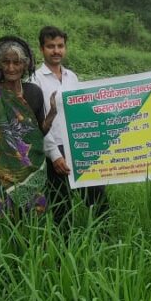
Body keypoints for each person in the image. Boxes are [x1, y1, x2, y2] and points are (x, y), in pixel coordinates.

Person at [0, 35, 57, 215]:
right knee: (0, 221)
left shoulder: (34, 93)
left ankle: (30, 244)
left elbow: (38, 133)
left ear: (25, 65)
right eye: (6, 62)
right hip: (0, 171)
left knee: (34, 218)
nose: (11, 68)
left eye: (17, 62)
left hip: (32, 169)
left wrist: (52, 114)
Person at [30, 25, 108, 223]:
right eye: (50, 46)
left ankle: (103, 239)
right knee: (61, 205)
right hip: (54, 150)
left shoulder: (72, 77)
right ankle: (65, 247)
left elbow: (81, 112)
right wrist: (55, 155)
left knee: (97, 196)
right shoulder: (34, 80)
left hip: (79, 145)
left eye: (60, 46)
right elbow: (37, 121)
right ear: (41, 49)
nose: (56, 51)